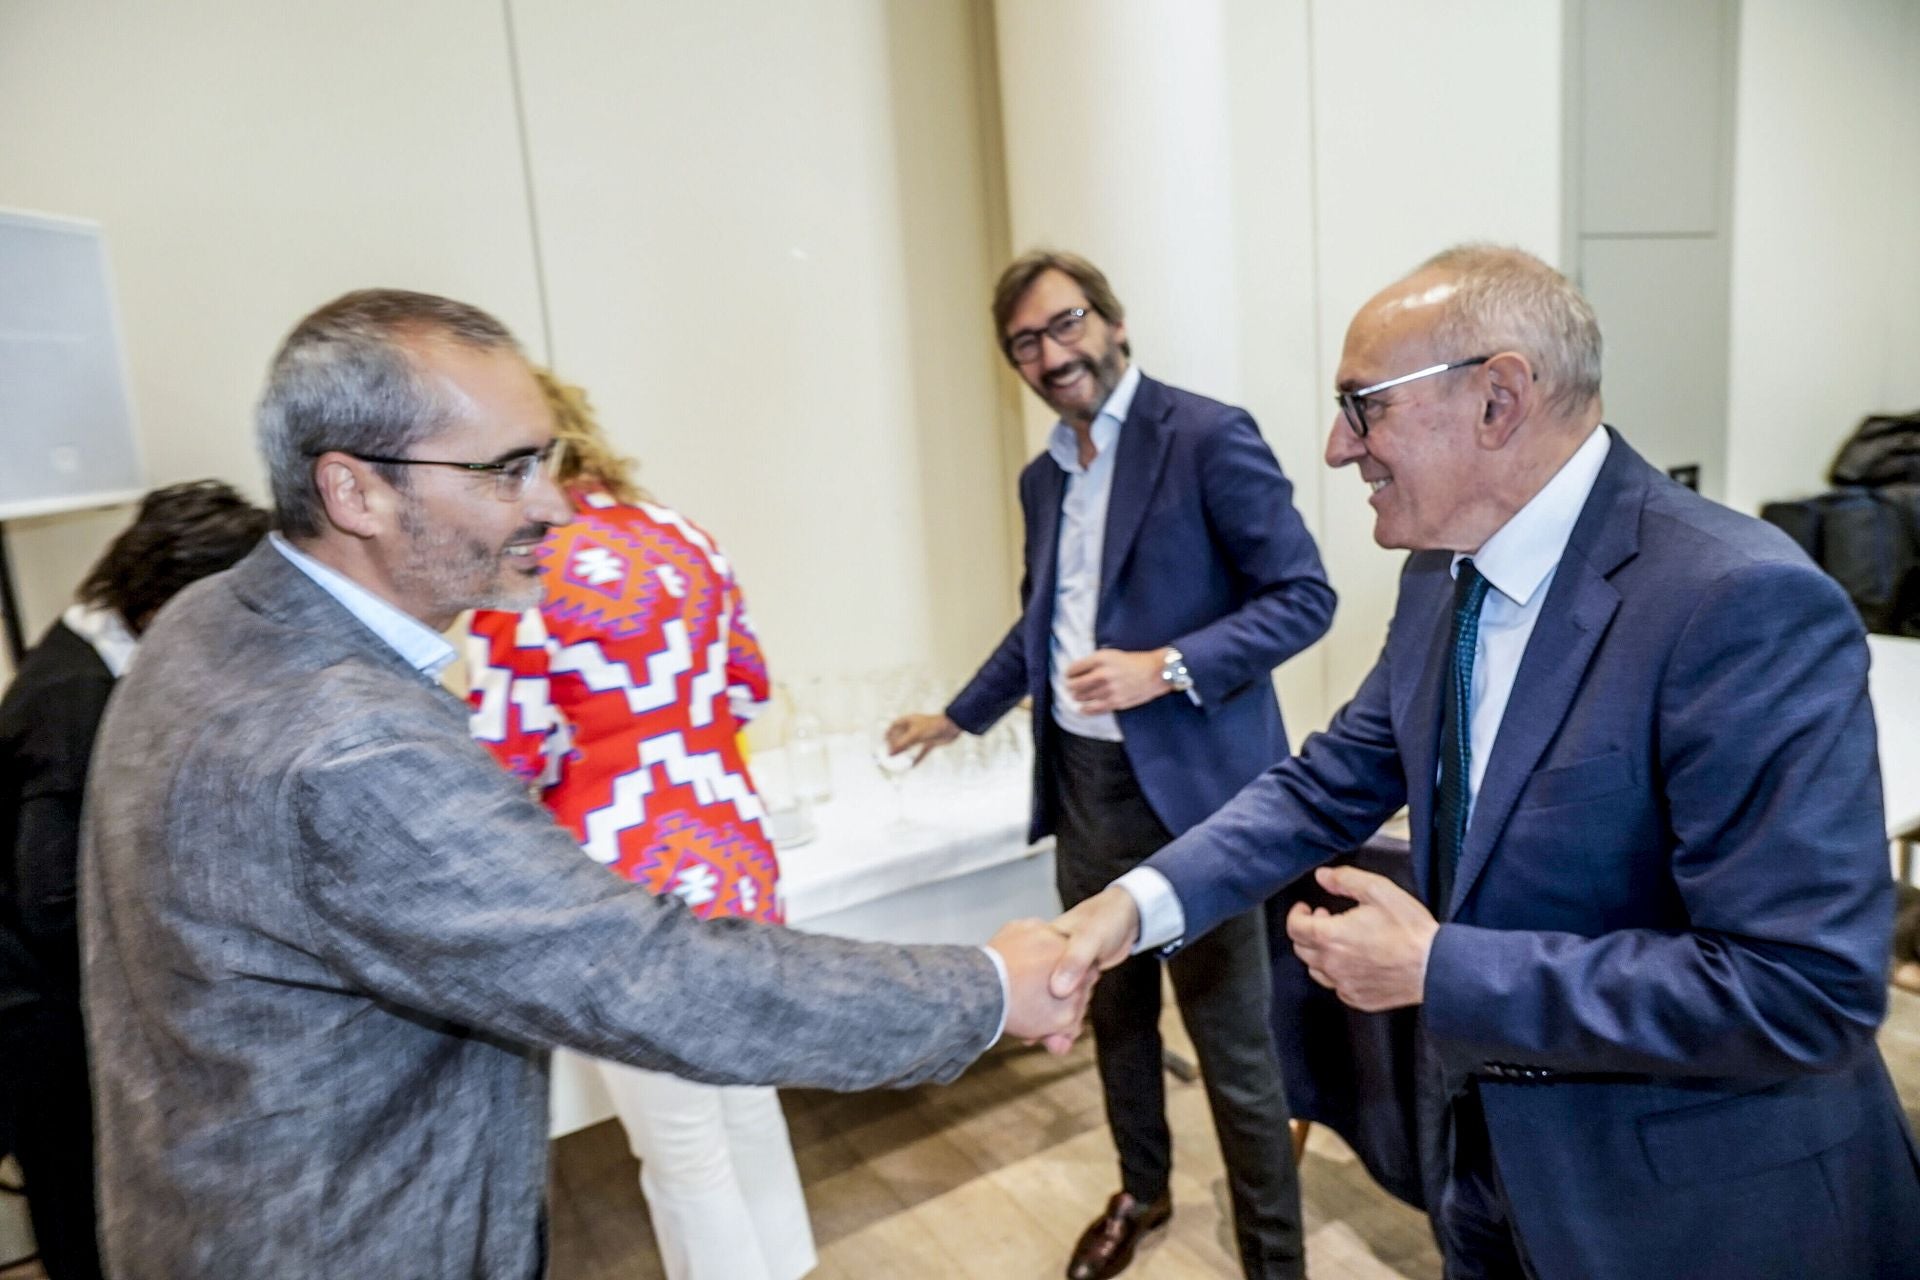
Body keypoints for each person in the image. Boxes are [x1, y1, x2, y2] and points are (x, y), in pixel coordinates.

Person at [79, 288, 1091, 1278]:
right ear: (355, 492)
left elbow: (519, 753)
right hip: (357, 1218)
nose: (550, 502)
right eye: (508, 469)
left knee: (691, 1146)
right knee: (731, 1122)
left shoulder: (204, 619)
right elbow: (651, 934)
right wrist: (985, 987)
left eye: (548, 459)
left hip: (603, 862)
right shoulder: (355, 741)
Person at [1051, 245, 1920, 1279]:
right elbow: (1326, 782)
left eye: (1362, 406)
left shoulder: (1740, 601)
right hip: (1485, 1174)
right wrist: (1129, 907)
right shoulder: (1439, 573)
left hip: (1698, 1215)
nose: (1337, 446)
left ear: (1498, 399)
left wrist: (1438, 970)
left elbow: (1804, 987)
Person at [889, 251, 1335, 1280]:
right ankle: (1142, 1188)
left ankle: (1275, 1260)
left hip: (1198, 801)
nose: (1052, 354)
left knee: (1234, 1051)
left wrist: (1164, 666)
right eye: (1026, 343)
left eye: (1066, 323)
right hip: (1086, 794)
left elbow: (1304, 596)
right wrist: (956, 716)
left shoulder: (1207, 435)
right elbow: (1041, 626)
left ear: (1113, 322)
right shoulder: (1043, 477)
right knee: (1115, 1018)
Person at [466, 370, 814, 1280]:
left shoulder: (525, 569)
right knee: (747, 1100)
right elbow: (748, 690)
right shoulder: (681, 535)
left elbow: (506, 756)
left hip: (621, 882)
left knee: (682, 1148)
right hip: (734, 856)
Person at [0, 480, 267, 1280]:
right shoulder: (74, 701)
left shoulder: (90, 647)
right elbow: (54, 902)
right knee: (84, 1215)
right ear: (164, 600)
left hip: (53, 996)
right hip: (35, 1012)